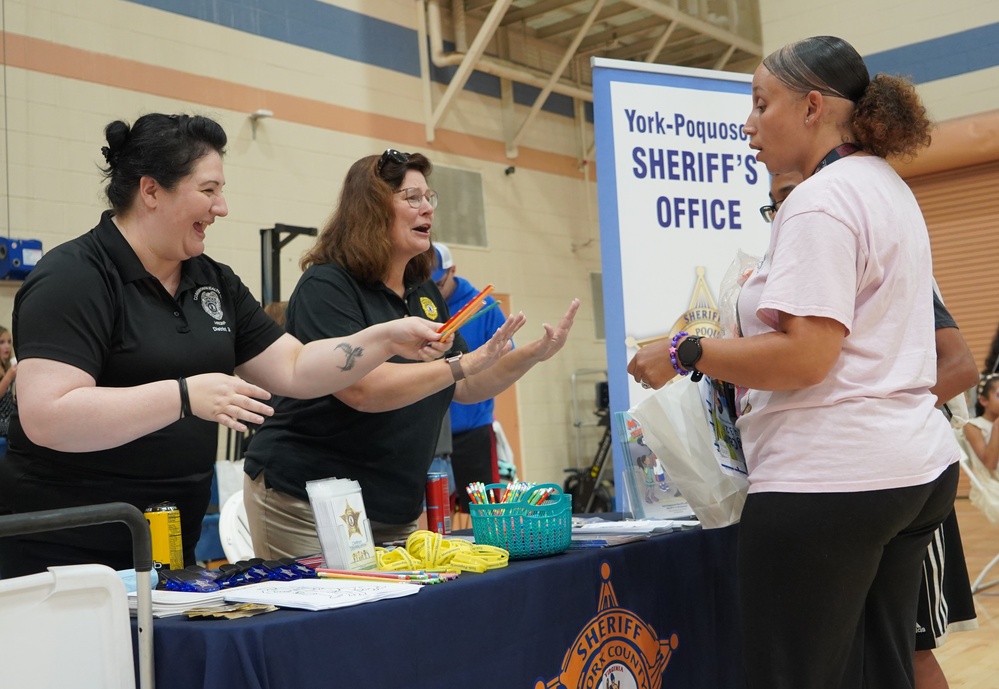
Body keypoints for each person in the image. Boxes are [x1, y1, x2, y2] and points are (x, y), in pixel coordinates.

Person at [628, 36, 959, 688]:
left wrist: (684, 351)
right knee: (880, 670)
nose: (746, 124)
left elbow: (806, 356)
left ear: (811, 107)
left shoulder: (818, 199)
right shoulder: (885, 186)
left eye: (759, 103)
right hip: (911, 470)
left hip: (831, 481)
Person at [0, 114, 450, 578]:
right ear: (151, 191)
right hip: (61, 556)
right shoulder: (75, 277)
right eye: (208, 190)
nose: (222, 207)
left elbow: (294, 367)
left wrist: (380, 338)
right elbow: (47, 416)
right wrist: (183, 396)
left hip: (170, 547)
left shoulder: (212, 281)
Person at [243, 149, 579, 555]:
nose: (427, 210)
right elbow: (362, 390)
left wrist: (533, 354)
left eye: (429, 198)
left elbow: (467, 385)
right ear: (371, 209)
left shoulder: (423, 293)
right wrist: (461, 365)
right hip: (309, 501)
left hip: (392, 507)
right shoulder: (328, 287)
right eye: (412, 198)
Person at [768, 172, 979, 689]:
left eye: (795, 195)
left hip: (897, 475)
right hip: (845, 482)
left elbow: (961, 365)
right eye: (776, 205)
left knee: (910, 648)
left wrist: (882, 411)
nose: (790, 210)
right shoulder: (798, 271)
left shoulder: (880, 257)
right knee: (863, 654)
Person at [432, 242, 510, 507]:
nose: (434, 292)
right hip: (431, 431)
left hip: (472, 428)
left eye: (438, 284)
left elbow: (507, 356)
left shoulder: (481, 305)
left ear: (451, 270)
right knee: (435, 513)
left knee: (483, 509)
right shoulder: (418, 303)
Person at [965, 374, 999, 474]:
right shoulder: (972, 426)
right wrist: (996, 426)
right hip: (990, 486)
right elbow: (990, 464)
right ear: (984, 400)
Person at [0, 326, 16, 458]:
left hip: (8, 415)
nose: (7, 346)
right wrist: (8, 377)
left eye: (9, 342)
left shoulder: (5, 366)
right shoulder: (7, 372)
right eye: (2, 342)